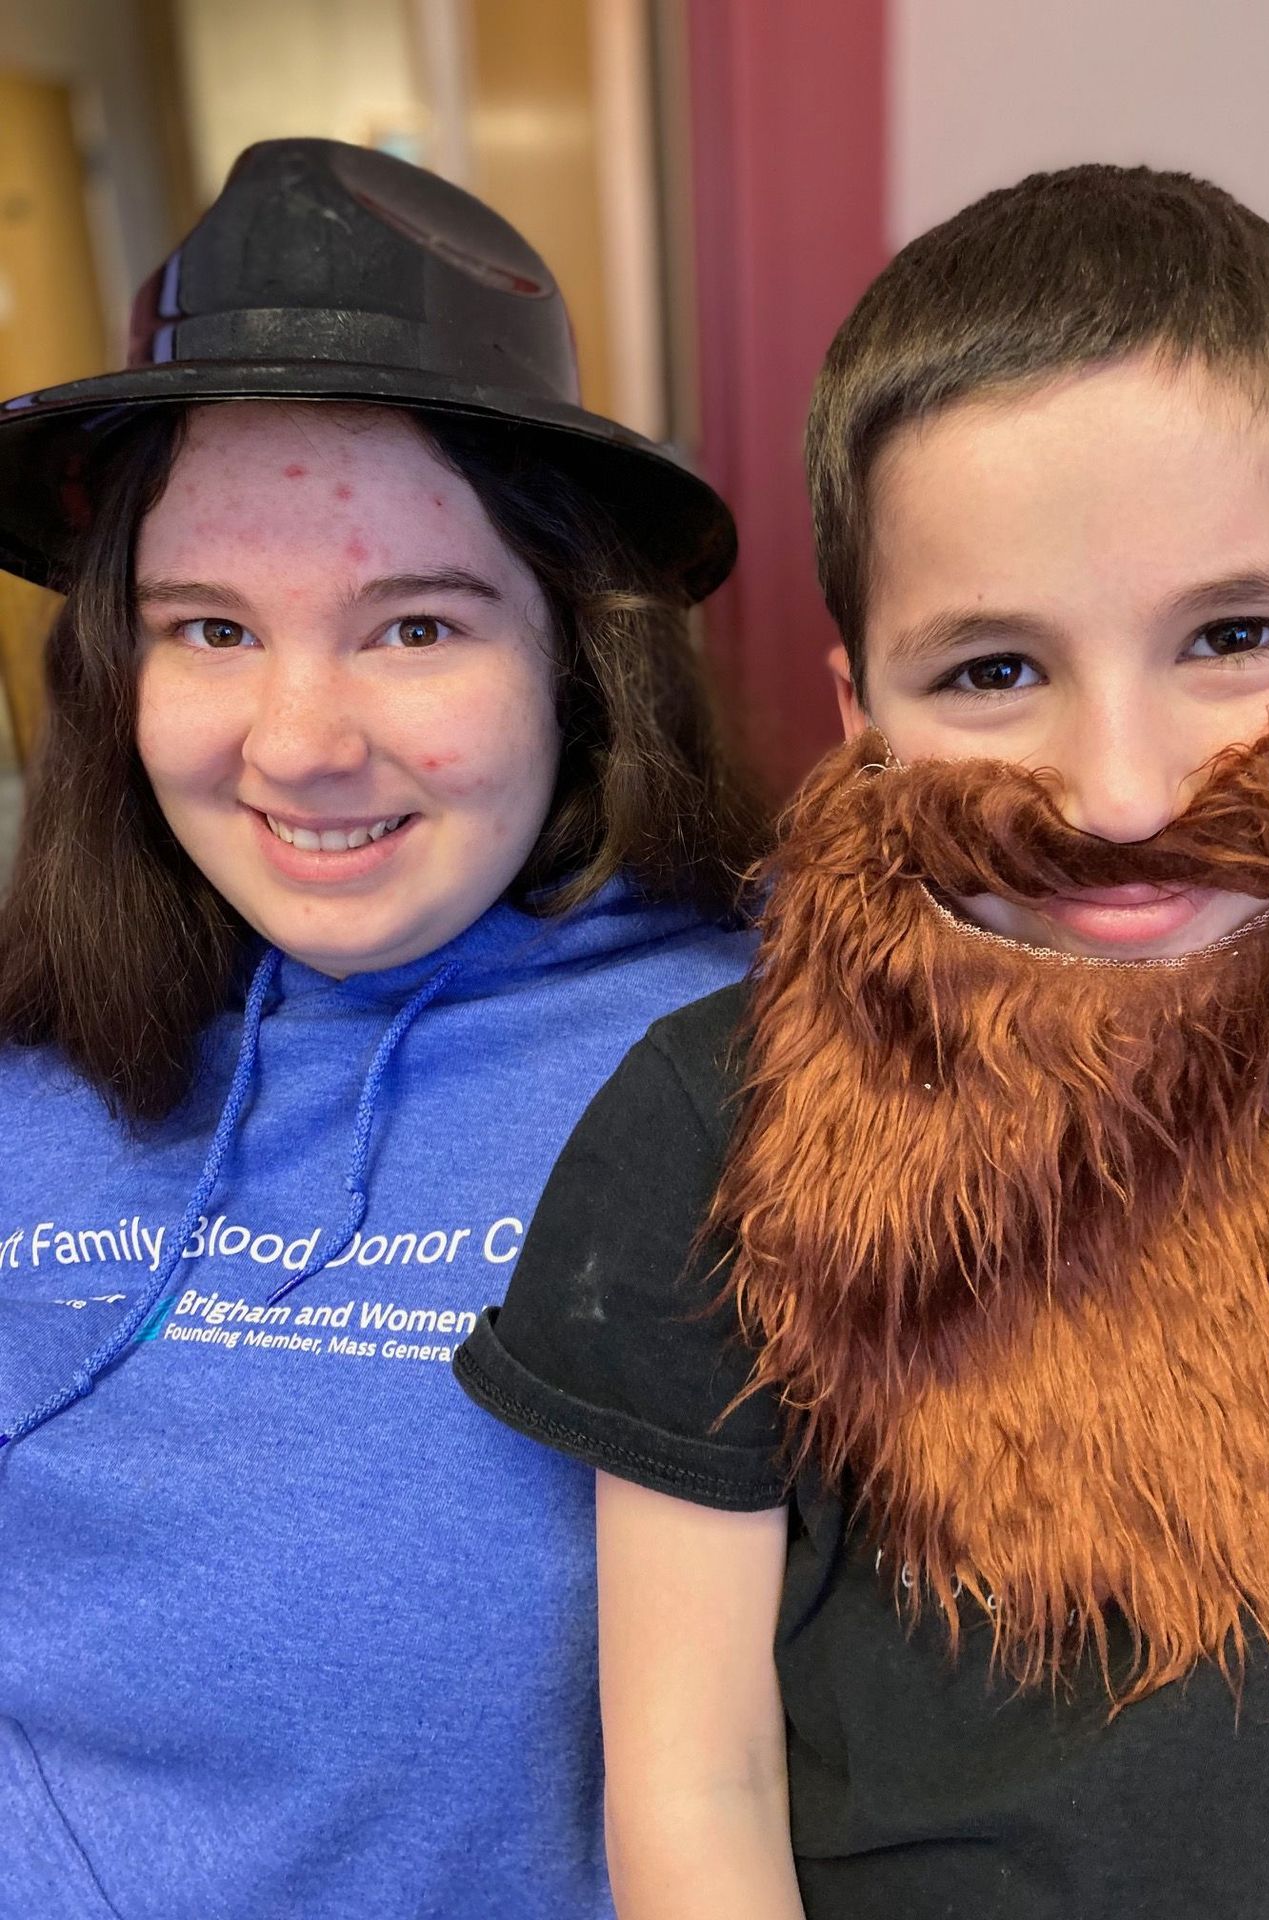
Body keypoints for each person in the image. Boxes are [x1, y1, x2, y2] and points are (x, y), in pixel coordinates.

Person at [455, 165, 1269, 1919]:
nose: (1128, 795)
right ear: (862, 719)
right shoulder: (711, 1124)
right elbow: (695, 1773)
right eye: (993, 672)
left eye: (1236, 637)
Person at [0, 139, 763, 1919]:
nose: (297, 743)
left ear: (576, 655)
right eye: (210, 627)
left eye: (414, 623)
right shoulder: (31, 1073)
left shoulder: (766, 1071)